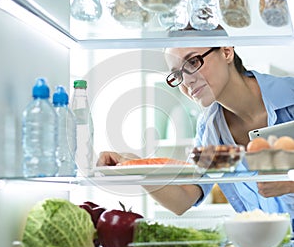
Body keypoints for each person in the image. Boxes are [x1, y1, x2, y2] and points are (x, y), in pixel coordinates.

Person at [97, 45, 294, 219]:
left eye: (193, 62)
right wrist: (135, 167)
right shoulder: (211, 132)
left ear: (226, 52)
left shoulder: (290, 97)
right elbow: (185, 197)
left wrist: (290, 184)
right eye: (178, 75)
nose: (187, 81)